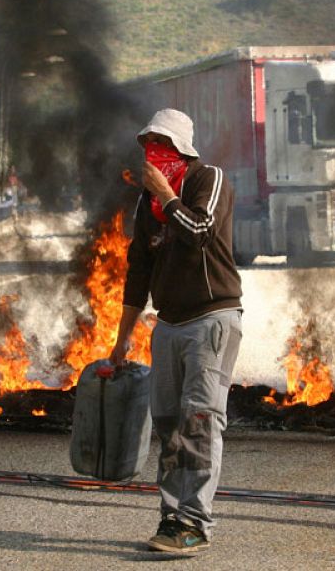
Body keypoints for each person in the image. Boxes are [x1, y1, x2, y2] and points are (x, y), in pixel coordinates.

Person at [110, 108, 243, 554]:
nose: (154, 153)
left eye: (163, 145)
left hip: (211, 320)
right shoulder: (146, 205)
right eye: (149, 144)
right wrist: (123, 336)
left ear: (182, 149)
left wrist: (166, 196)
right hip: (167, 325)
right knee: (169, 425)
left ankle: (195, 523)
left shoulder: (209, 179)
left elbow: (200, 230)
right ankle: (172, 518)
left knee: (200, 422)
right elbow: (138, 271)